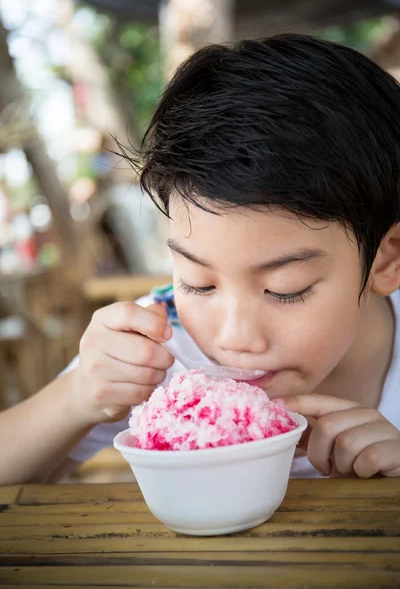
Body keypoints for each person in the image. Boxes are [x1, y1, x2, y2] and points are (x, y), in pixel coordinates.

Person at [1, 33, 400, 485]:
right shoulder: (164, 352)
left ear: (387, 259)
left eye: (284, 290)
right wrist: (76, 398)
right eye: (198, 282)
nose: (234, 338)